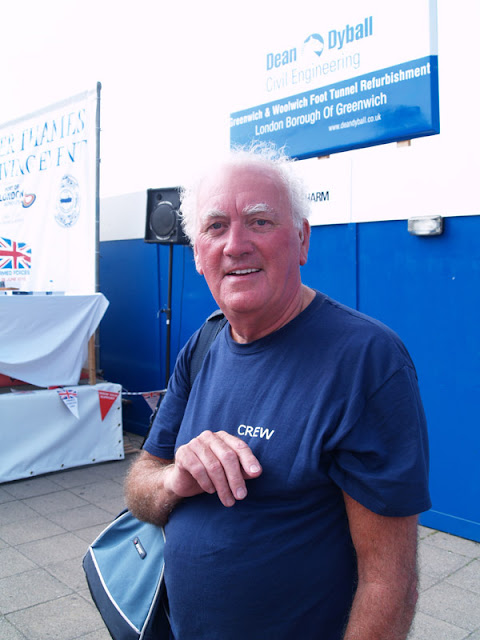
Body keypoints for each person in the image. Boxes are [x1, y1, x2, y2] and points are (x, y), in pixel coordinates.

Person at [125, 144, 431, 640]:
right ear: (198, 254)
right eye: (215, 226)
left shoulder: (365, 360)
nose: (236, 245)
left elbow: (389, 582)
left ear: (303, 239)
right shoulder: (203, 344)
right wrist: (175, 479)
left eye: (260, 221)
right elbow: (141, 485)